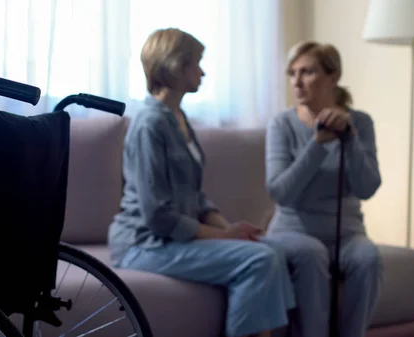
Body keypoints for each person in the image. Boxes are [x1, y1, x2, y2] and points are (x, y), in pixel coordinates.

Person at [107, 27, 295, 337]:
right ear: (174, 66)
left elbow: (195, 196)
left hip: (173, 239)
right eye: (196, 63)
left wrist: (229, 228)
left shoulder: (178, 118)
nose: (203, 72)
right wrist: (224, 237)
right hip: (145, 244)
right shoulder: (149, 124)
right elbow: (158, 215)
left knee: (272, 249)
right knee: (259, 260)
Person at [263, 40, 383, 337]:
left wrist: (350, 139)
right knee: (311, 253)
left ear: (333, 77)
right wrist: (317, 145)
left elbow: (367, 188)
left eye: (308, 72)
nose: (297, 81)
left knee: (369, 258)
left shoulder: (361, 123)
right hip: (293, 232)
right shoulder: (282, 125)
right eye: (293, 73)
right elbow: (280, 191)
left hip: (348, 234)